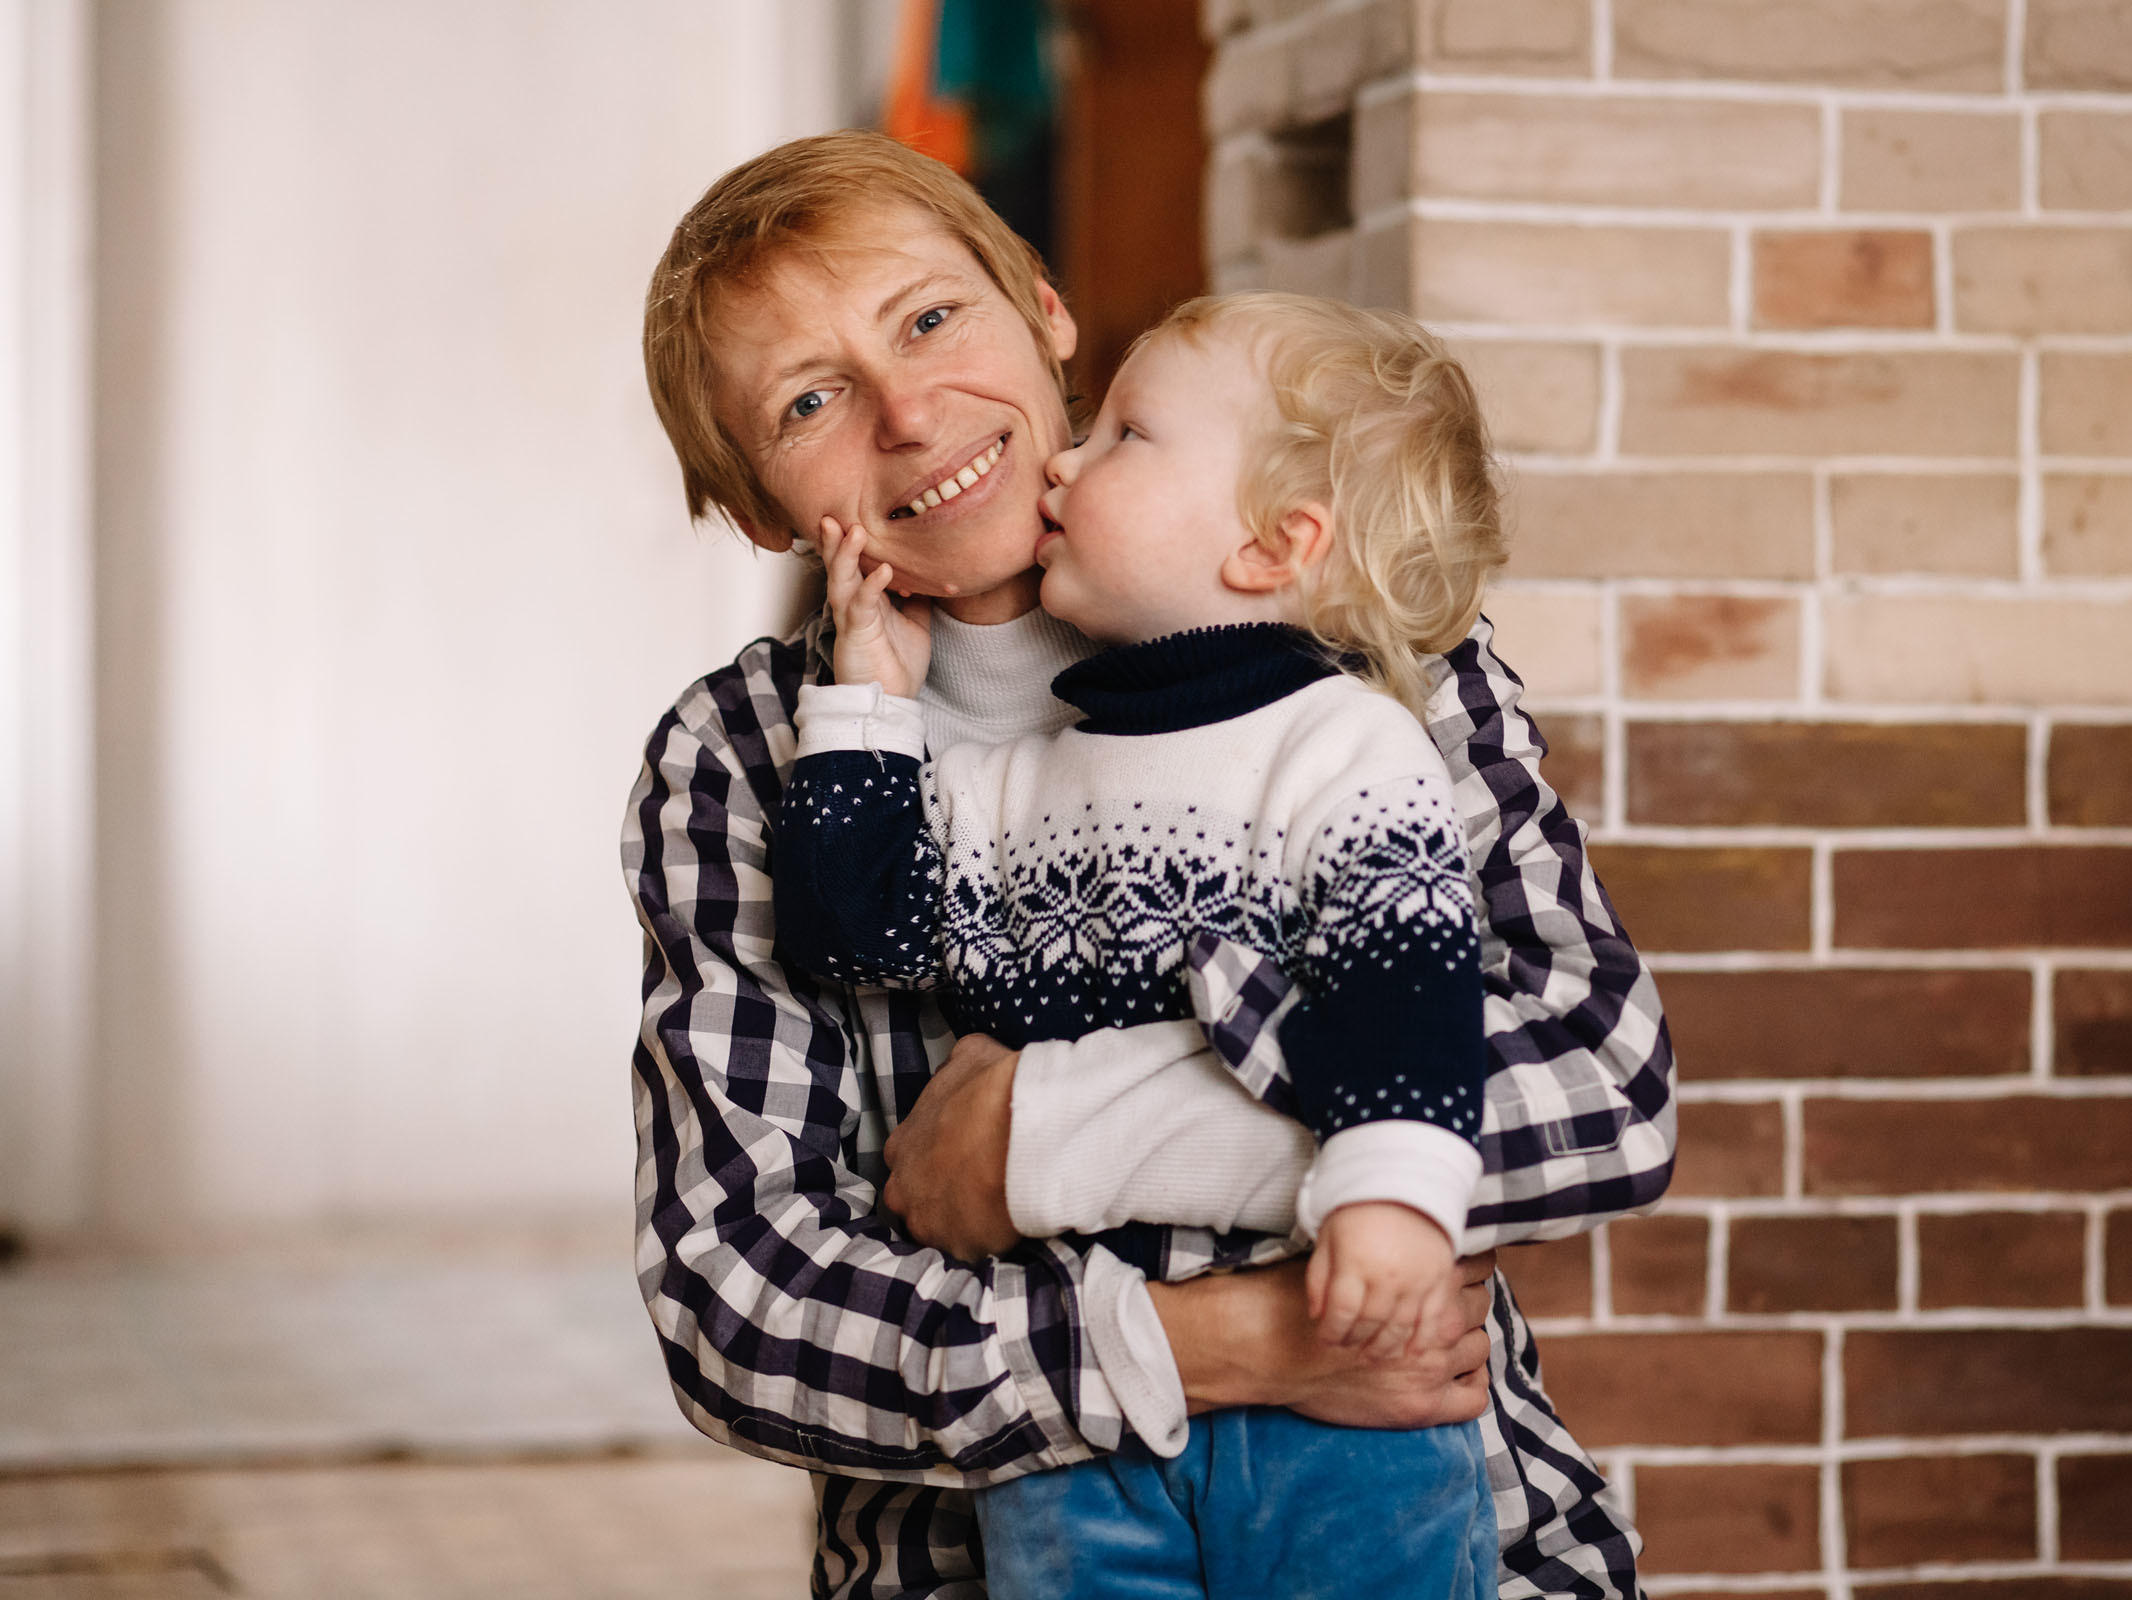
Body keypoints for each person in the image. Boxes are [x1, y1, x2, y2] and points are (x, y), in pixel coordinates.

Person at [623, 129, 1676, 1600]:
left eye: (931, 318)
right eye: (810, 400)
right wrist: (1229, 1342)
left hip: (1456, 1531)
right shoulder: (743, 760)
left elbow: (1602, 1087)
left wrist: (1040, 1134)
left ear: (1046, 311)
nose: (912, 415)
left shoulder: (1359, 632)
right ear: (756, 510)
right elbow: (741, 1304)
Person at [773, 292, 1511, 1597]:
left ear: (1273, 544)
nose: (1065, 459)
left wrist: (1393, 1203)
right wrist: (868, 710)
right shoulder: (1027, 778)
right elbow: (858, 939)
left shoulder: (1341, 745)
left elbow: (1402, 987)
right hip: (1083, 1431)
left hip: (1345, 1407)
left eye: (1126, 436)